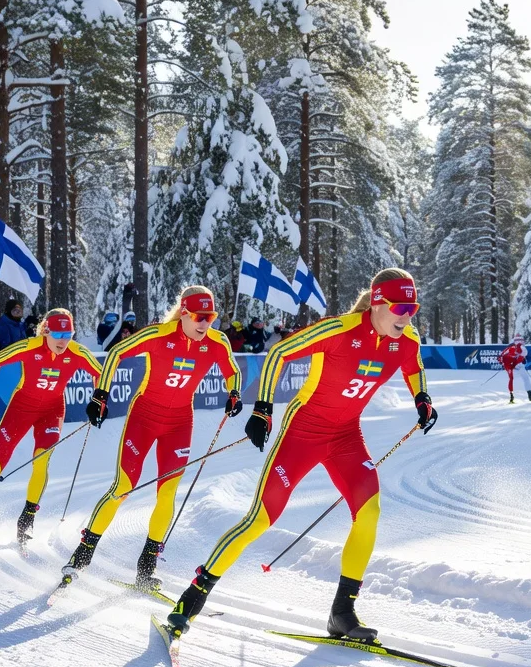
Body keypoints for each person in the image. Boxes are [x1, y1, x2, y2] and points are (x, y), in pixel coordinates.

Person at [162, 267, 438, 643]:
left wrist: (421, 398)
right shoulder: (339, 330)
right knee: (260, 519)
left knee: (369, 511)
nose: (407, 316)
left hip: (346, 437)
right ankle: (189, 601)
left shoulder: (406, 339)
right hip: (302, 433)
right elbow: (278, 353)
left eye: (413, 308)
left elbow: (414, 365)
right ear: (377, 302)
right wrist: (262, 408)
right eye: (399, 307)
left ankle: (342, 613)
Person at [64, 287, 242, 590]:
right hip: (143, 418)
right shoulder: (160, 335)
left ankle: (146, 567)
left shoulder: (216, 341)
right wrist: (100, 394)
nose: (205, 323)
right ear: (184, 313)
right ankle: (83, 552)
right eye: (200, 317)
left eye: (210, 317)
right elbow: (118, 352)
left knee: (167, 493)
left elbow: (232, 370)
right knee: (123, 486)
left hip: (179, 423)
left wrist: (234, 393)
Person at [0, 310, 102, 548]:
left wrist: (98, 400)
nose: (63, 340)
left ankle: (27, 518)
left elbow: (101, 375)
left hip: (52, 411)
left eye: (69, 333)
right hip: (20, 409)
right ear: (46, 331)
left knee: (41, 462)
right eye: (58, 334)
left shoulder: (77, 352)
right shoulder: (30, 346)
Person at [498, 335, 531, 403]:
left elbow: (520, 356)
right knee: (522, 379)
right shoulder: (514, 348)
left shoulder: (518, 349)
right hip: (512, 366)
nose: (521, 342)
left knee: (517, 378)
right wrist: (503, 362)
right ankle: (527, 395)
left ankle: (515, 396)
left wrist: (522, 359)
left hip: (514, 366)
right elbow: (501, 356)